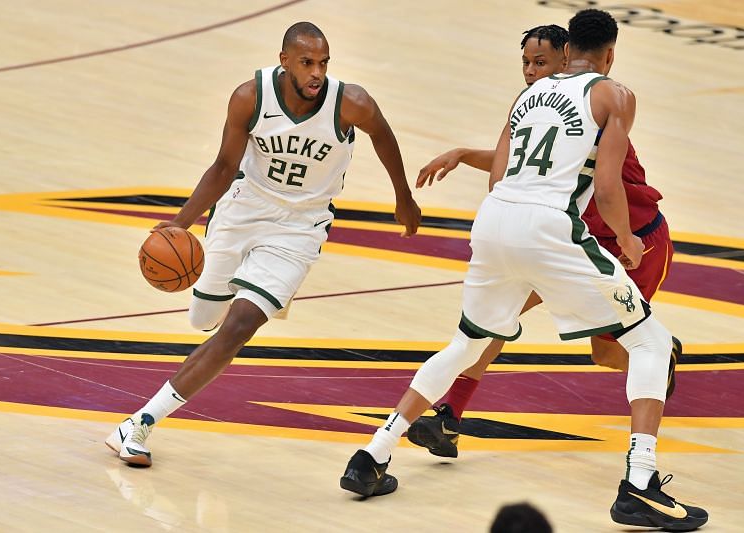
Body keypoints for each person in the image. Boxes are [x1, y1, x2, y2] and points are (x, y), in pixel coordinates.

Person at [340, 9, 707, 531]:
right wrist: (624, 240)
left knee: (464, 343)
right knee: (651, 343)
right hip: (555, 228)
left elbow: (500, 176)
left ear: (565, 50)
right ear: (610, 54)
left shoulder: (526, 97)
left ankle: (373, 455)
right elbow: (604, 189)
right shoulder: (613, 94)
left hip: (496, 220)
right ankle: (639, 485)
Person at [105, 21, 421, 469]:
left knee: (238, 327)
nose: (317, 73)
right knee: (204, 319)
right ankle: (246, 288)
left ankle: (138, 423)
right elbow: (222, 166)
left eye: (324, 63)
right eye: (308, 63)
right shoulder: (249, 97)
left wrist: (403, 197)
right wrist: (180, 224)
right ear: (285, 61)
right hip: (243, 207)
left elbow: (383, 135)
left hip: (300, 226)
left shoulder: (351, 103)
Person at [408, 24, 678, 460]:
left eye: (543, 64)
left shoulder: (595, 112)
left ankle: (660, 353)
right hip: (562, 241)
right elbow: (514, 166)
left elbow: (603, 188)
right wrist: (462, 154)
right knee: (499, 318)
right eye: (527, 64)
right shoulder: (540, 110)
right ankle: (449, 414)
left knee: (606, 354)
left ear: (567, 60)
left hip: (632, 245)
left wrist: (625, 238)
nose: (533, 75)